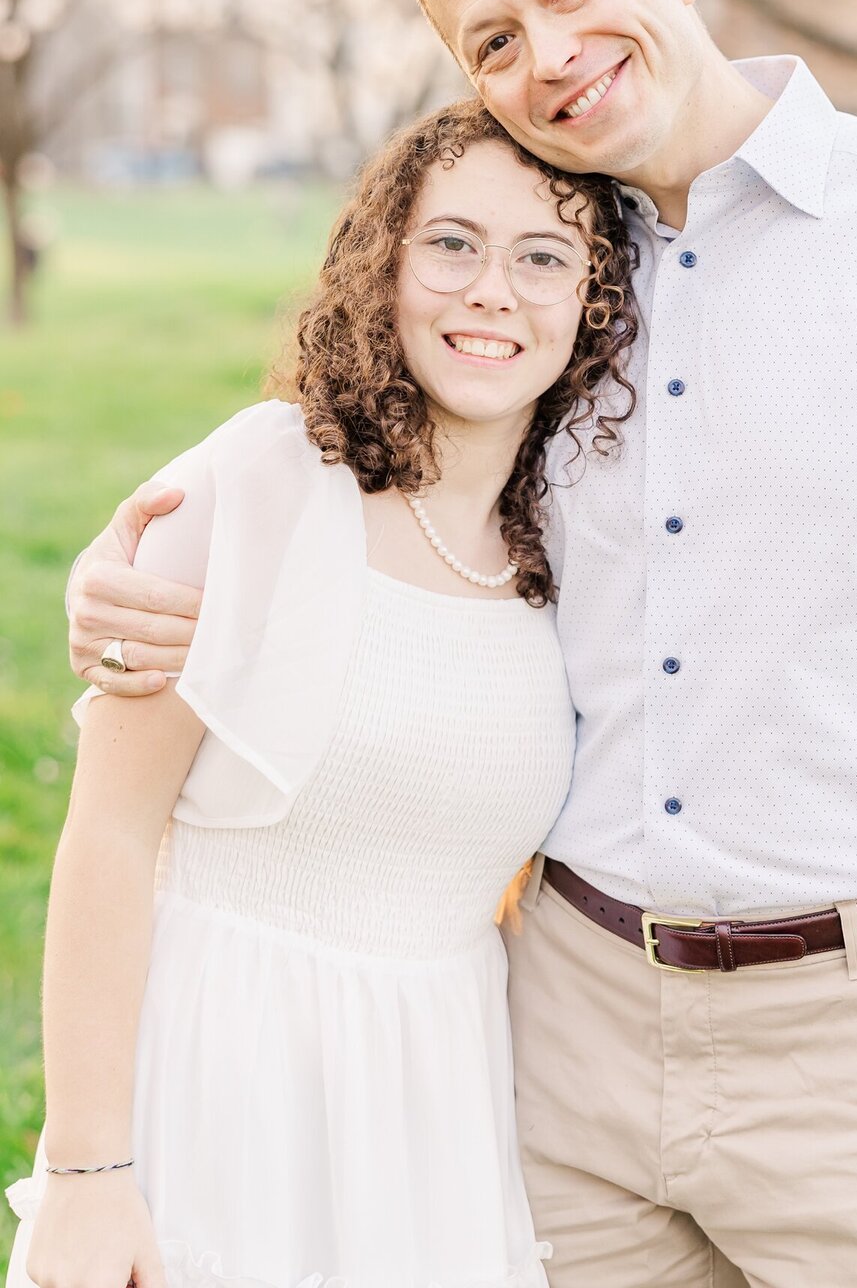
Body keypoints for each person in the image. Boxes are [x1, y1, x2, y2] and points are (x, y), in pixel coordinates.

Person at [63, 0, 857, 1288]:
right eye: (492, 39)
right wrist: (139, 567)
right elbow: (357, 467)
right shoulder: (538, 274)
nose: (549, 51)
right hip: (561, 1033)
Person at [6, 97, 638, 1288]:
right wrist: (90, 1173)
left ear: (593, 307)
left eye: (543, 256)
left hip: (438, 1102)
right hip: (217, 1077)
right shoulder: (260, 482)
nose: (492, 290)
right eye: (452, 243)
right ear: (383, 264)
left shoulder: (574, 554)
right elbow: (105, 836)